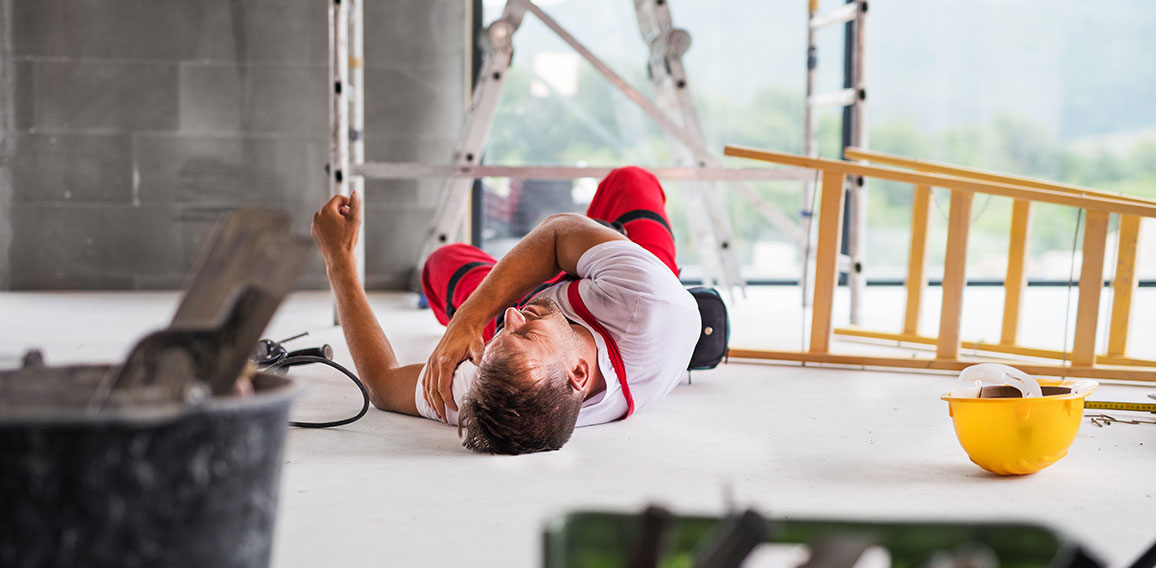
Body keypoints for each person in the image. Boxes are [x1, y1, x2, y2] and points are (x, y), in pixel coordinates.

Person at [311, 167, 701, 454]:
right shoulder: (648, 300)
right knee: (630, 180)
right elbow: (557, 230)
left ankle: (585, 248)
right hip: (629, 288)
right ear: (578, 373)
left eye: (500, 339)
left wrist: (338, 259)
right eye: (524, 335)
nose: (513, 317)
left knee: (441, 263)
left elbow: (382, 383)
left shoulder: (493, 388)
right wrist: (472, 319)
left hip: (560, 308)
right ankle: (601, 240)